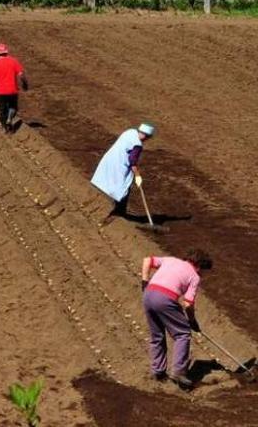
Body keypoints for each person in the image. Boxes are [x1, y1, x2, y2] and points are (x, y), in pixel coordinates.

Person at [141, 250, 213, 388]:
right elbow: (188, 303)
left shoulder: (171, 260)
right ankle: (178, 372)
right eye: (204, 271)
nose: (203, 274)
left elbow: (147, 260)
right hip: (165, 299)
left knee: (157, 335)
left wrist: (145, 281)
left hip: (148, 294)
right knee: (182, 334)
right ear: (199, 266)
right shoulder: (194, 276)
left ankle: (158, 372)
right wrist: (192, 321)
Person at [91, 123, 154, 223]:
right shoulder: (137, 145)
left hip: (110, 159)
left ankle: (119, 209)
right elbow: (132, 161)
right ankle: (119, 211)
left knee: (112, 183)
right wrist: (137, 175)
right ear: (147, 136)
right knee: (124, 188)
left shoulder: (130, 132)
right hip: (119, 165)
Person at [0, 43, 28, 133]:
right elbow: (21, 74)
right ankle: (9, 118)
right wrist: (25, 83)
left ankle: (4, 126)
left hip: (1, 92)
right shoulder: (13, 61)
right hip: (12, 90)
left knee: (2, 109)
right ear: (6, 52)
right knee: (13, 107)